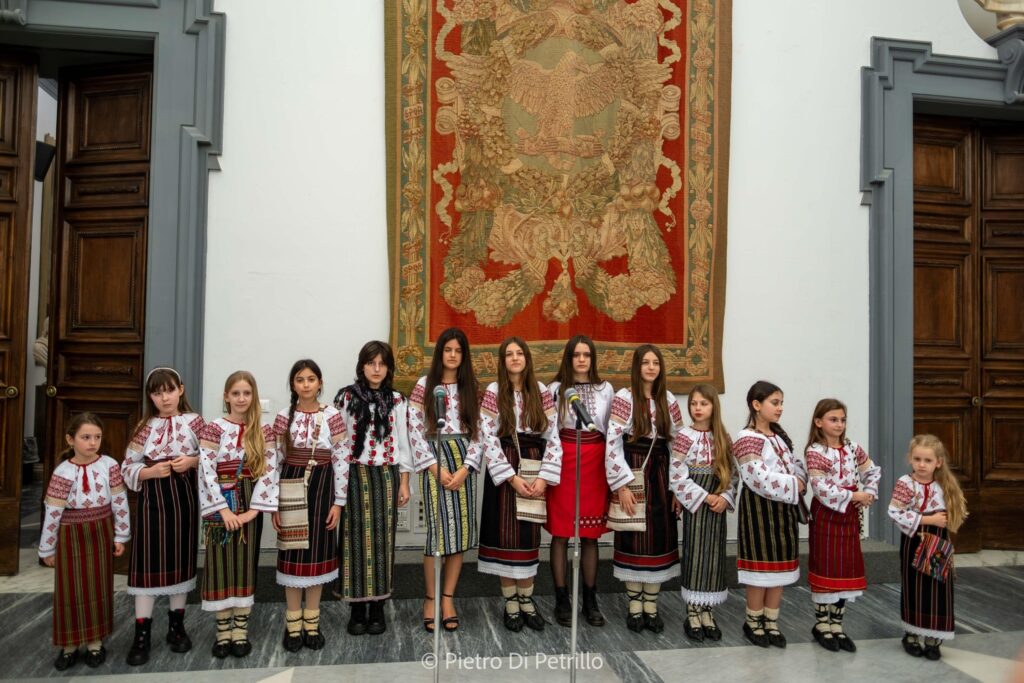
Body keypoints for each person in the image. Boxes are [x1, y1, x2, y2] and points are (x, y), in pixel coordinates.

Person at [121, 367, 204, 666]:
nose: (164, 398)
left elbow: (214, 457)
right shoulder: (144, 427)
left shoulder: (195, 423)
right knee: (148, 562)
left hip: (184, 501)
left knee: (180, 560)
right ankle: (141, 633)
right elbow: (126, 467)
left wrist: (192, 461)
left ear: (181, 389)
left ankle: (176, 626)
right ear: (150, 397)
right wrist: (149, 471)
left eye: (169, 390)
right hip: (152, 502)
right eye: (157, 393)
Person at [479, 337, 562, 632]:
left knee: (528, 536)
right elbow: (487, 437)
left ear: (527, 358)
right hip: (506, 471)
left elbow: (553, 437)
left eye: (519, 353)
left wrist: (543, 478)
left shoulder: (540, 391)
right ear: (503, 361)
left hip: (534, 465)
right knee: (505, 537)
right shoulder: (494, 391)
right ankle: (511, 603)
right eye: (509, 354)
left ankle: (527, 600)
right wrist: (511, 477)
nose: (515, 358)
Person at [39, 413, 131, 670]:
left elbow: (120, 502)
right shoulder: (62, 472)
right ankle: (69, 645)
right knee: (69, 589)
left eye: (97, 437)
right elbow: (53, 512)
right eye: (86, 437)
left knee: (98, 586)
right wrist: (47, 548)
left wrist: (121, 535)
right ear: (71, 440)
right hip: (70, 535)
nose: (92, 442)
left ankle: (94, 643)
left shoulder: (109, 465)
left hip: (100, 532)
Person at [198, 371, 279, 658]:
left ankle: (240, 630)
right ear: (226, 396)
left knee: (245, 564)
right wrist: (222, 510)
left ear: (253, 396)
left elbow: (269, 472)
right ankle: (222, 632)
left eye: (246, 393)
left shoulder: (264, 430)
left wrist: (252, 512)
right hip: (220, 500)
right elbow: (206, 471)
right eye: (236, 393)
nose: (241, 398)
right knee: (219, 564)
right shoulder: (213, 429)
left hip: (249, 500)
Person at [334, 341, 412, 636]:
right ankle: (356, 609)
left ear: (388, 367)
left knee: (383, 540)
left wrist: (404, 481)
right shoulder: (346, 398)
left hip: (386, 476)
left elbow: (403, 442)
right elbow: (339, 443)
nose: (376, 369)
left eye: (382, 363)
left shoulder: (397, 400)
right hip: (354, 475)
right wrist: (338, 483)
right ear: (362, 366)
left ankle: (378, 607)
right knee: (353, 539)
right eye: (371, 363)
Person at [407, 328, 484, 632]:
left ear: (464, 355)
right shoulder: (424, 385)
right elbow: (414, 430)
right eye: (447, 349)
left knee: (460, 532)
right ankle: (430, 598)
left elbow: (480, 431)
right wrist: (433, 467)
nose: (452, 355)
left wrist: (466, 468)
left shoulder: (471, 387)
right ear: (440, 353)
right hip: (434, 459)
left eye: (458, 350)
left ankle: (448, 598)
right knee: (437, 533)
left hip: (463, 461)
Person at [605, 344, 684, 633]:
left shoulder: (668, 399)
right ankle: (634, 606)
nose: (651, 367)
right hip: (633, 470)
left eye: (656, 363)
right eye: (646, 362)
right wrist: (622, 486)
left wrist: (677, 488)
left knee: (659, 538)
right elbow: (612, 442)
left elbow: (678, 446)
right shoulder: (624, 398)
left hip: (660, 474)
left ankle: (651, 606)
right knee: (632, 535)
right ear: (637, 367)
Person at [272, 359, 349, 651]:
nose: (306, 384)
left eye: (311, 379)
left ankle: (312, 623)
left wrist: (338, 502)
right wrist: (273, 504)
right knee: (292, 553)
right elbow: (274, 462)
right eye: (300, 379)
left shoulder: (332, 415)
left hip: (323, 488)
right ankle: (293, 625)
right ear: (293, 384)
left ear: (320, 383)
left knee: (318, 554)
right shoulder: (283, 417)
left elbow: (341, 459)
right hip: (290, 487)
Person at [731, 380, 805, 648]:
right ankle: (753, 621)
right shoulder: (746, 438)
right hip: (759, 511)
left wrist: (800, 479)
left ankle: (771, 621)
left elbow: (796, 464)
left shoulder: (778, 436)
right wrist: (794, 484)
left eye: (781, 403)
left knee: (780, 568)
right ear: (756, 404)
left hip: (783, 510)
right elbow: (757, 477)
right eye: (775, 403)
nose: (780, 408)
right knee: (760, 569)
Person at [546, 335, 613, 627]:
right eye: (576, 355)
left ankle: (590, 599)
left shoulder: (605, 389)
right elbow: (549, 429)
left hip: (594, 461)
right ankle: (562, 598)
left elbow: (611, 428)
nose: (582, 359)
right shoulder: (555, 389)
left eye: (587, 354)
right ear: (569, 358)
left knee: (589, 534)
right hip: (564, 458)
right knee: (561, 533)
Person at [805, 398, 880, 652]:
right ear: (819, 422)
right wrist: (853, 495)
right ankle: (821, 625)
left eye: (842, 420)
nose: (839, 424)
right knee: (826, 565)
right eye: (833, 419)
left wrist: (869, 493)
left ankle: (837, 625)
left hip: (849, 515)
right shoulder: (815, 451)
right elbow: (821, 487)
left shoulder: (852, 448)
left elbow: (872, 471)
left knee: (845, 568)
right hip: (826, 515)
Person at [888, 434, 968, 661]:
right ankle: (911, 635)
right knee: (914, 586)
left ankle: (933, 639)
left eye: (928, 460)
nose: (922, 465)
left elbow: (957, 511)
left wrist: (945, 519)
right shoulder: (906, 483)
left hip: (938, 541)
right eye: (917, 459)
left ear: (938, 462)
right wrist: (927, 519)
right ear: (910, 459)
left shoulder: (944, 485)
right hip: (914, 540)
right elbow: (894, 512)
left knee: (938, 586)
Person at [670, 383, 737, 641]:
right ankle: (693, 612)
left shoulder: (722, 437)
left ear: (713, 407)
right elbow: (677, 475)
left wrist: (724, 497)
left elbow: (732, 473)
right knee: (696, 554)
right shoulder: (684, 436)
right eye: (694, 403)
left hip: (717, 505)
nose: (697, 408)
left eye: (703, 404)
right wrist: (704, 496)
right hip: (697, 505)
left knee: (714, 556)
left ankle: (708, 611)